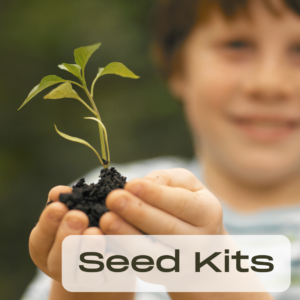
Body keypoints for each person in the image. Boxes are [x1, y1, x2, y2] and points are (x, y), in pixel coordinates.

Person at [21, 0, 300, 299]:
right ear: (177, 69)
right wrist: (83, 289)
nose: (269, 83)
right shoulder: (134, 193)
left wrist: (209, 278)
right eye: (237, 44)